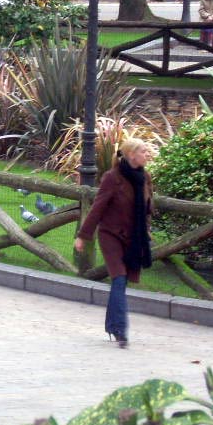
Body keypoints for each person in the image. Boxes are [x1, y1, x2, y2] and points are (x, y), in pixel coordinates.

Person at [74, 138, 154, 348]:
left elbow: (147, 208)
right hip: (111, 235)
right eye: (144, 151)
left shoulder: (145, 177)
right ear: (131, 155)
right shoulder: (112, 177)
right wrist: (83, 235)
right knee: (119, 278)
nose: (148, 154)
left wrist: (146, 231)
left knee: (122, 282)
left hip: (134, 238)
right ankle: (120, 330)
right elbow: (98, 208)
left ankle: (111, 325)